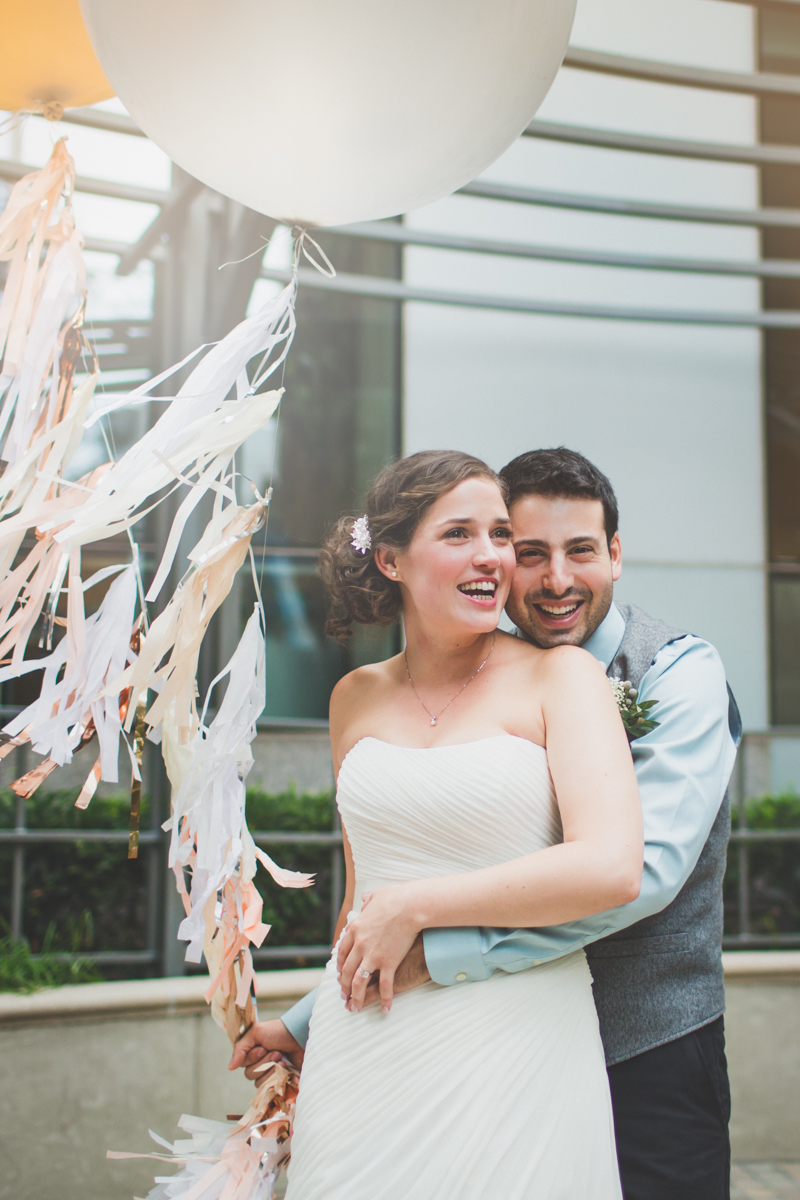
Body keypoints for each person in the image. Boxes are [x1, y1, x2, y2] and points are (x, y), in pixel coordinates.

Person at [231, 448, 739, 1200]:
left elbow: (635, 872)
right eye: (525, 548)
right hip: (376, 1038)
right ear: (394, 560)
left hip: (637, 1037)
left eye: (576, 551)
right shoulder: (354, 699)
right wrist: (312, 1019)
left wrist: (432, 939)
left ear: (617, 555)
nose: (547, 576)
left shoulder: (658, 673)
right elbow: (368, 893)